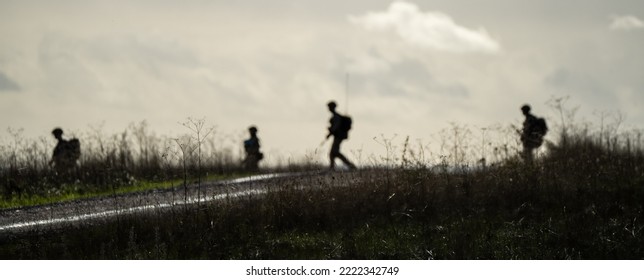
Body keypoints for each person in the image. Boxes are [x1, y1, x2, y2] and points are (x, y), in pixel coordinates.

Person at [326, 101, 356, 170]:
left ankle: (350, 165)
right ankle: (333, 167)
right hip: (338, 136)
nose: (328, 109)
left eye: (329, 107)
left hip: (339, 136)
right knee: (333, 152)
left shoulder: (336, 117)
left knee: (334, 152)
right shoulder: (335, 116)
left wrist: (330, 132)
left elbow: (335, 127)